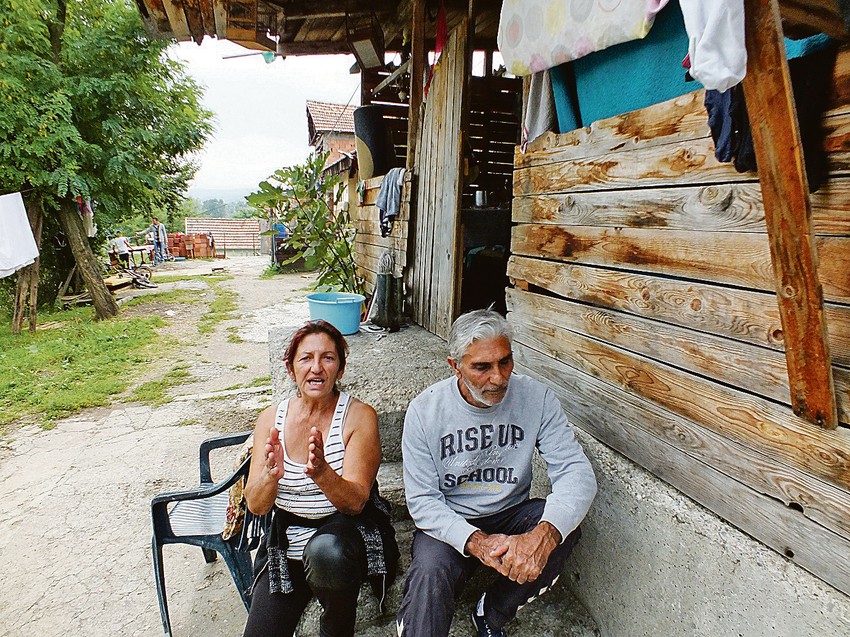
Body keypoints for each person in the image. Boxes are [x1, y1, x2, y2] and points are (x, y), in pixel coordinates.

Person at [396, 309, 597, 637]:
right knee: (431, 573)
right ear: (455, 366)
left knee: (564, 526)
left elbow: (576, 471)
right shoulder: (425, 412)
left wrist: (544, 533)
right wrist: (475, 542)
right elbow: (422, 502)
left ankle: (491, 611)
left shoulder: (537, 398)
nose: (499, 377)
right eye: (482, 367)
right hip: (450, 519)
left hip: (510, 514)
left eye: (505, 361)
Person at [242, 320, 399, 637]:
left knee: (327, 551)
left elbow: (355, 503)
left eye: (328, 357)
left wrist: (323, 473)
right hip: (287, 544)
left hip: (343, 538)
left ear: (340, 369)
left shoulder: (358, 416)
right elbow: (256, 505)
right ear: (290, 368)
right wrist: (271, 477)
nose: (317, 368)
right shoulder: (271, 419)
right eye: (306, 358)